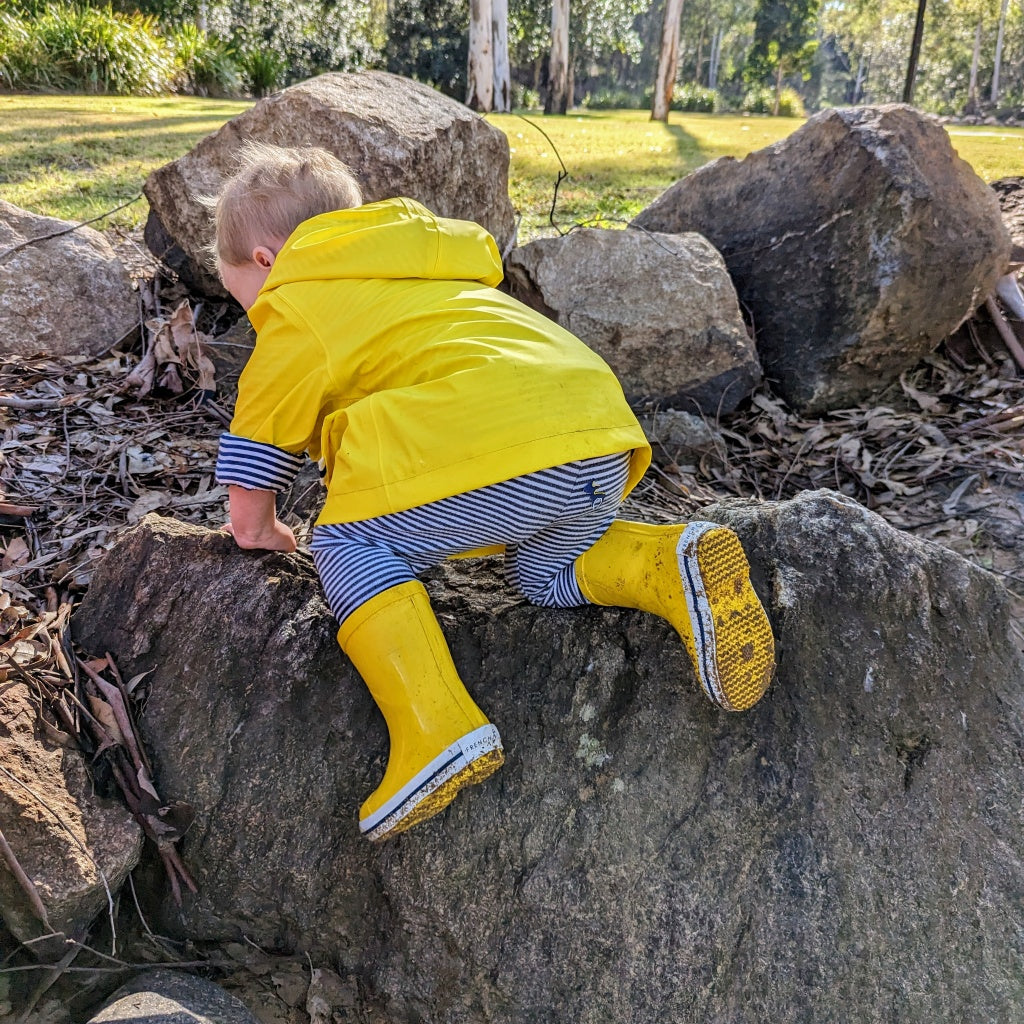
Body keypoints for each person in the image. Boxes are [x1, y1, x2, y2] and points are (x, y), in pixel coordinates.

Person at [210, 142, 775, 843]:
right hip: (594, 438)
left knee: (350, 540)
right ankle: (667, 563)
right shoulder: (425, 265)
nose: (253, 318)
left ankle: (435, 728)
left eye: (243, 300)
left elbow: (257, 453)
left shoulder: (300, 300)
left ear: (266, 262)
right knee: (545, 571)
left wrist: (260, 530)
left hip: (496, 452)